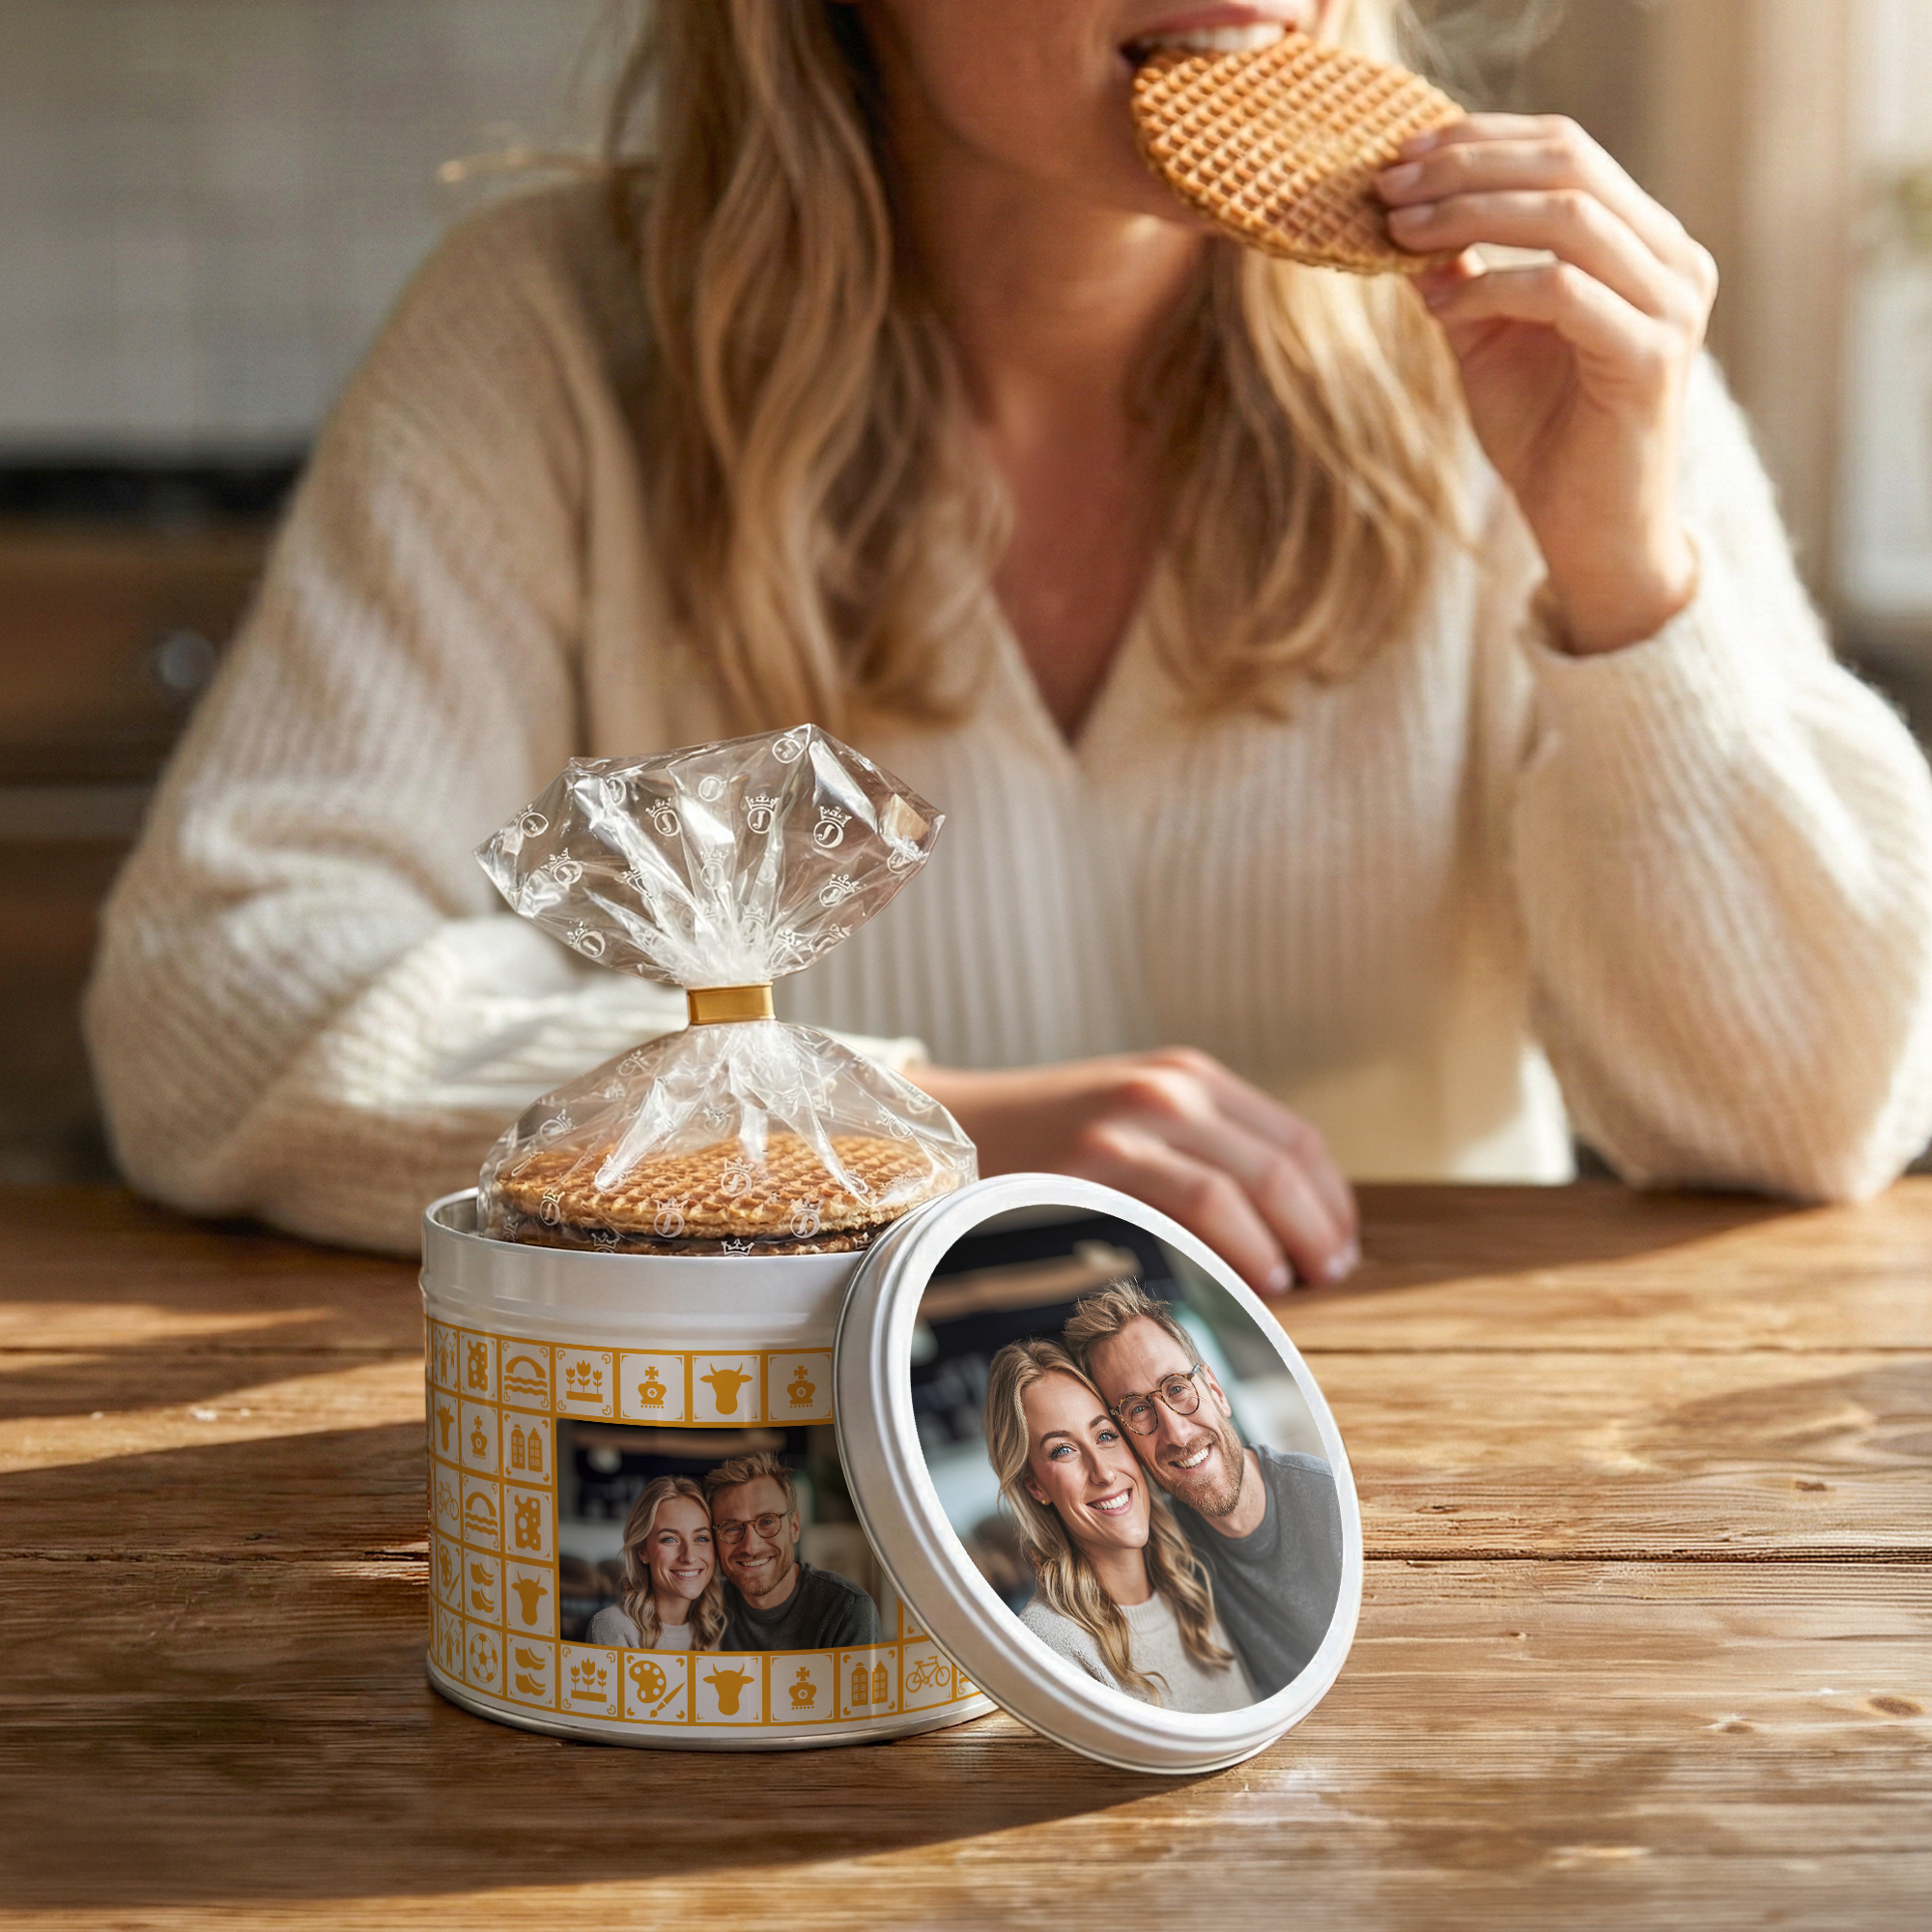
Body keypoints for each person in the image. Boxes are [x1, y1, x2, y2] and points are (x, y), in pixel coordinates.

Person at [85, 3, 1932, 1290]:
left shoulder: (1524, 351)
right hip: (779, 1496)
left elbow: (1811, 1117)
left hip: (1434, 1502)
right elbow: (212, 1003)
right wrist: (888, 1140)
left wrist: (1625, 568)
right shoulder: (549, 342)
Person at [1065, 1280, 1341, 1697]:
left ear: (1215, 1391)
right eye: (1137, 1410)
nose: (1176, 1433)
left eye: (1177, 1388)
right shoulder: (1167, 1553)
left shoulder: (1330, 1504)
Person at [986, 1338, 1256, 1712]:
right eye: (1063, 1450)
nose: (1103, 1472)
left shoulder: (1193, 1581)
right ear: (1035, 1485)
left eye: (1106, 1435)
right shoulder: (1052, 1645)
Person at [704, 1452, 880, 1652]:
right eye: (732, 1527)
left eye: (767, 1521)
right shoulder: (704, 1608)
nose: (751, 1547)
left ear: (794, 1527)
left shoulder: (846, 1610)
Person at [586, 1473, 728, 1652]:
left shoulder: (710, 1631)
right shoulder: (614, 1627)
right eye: (669, 1539)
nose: (689, 1556)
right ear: (642, 1551)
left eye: (701, 1538)